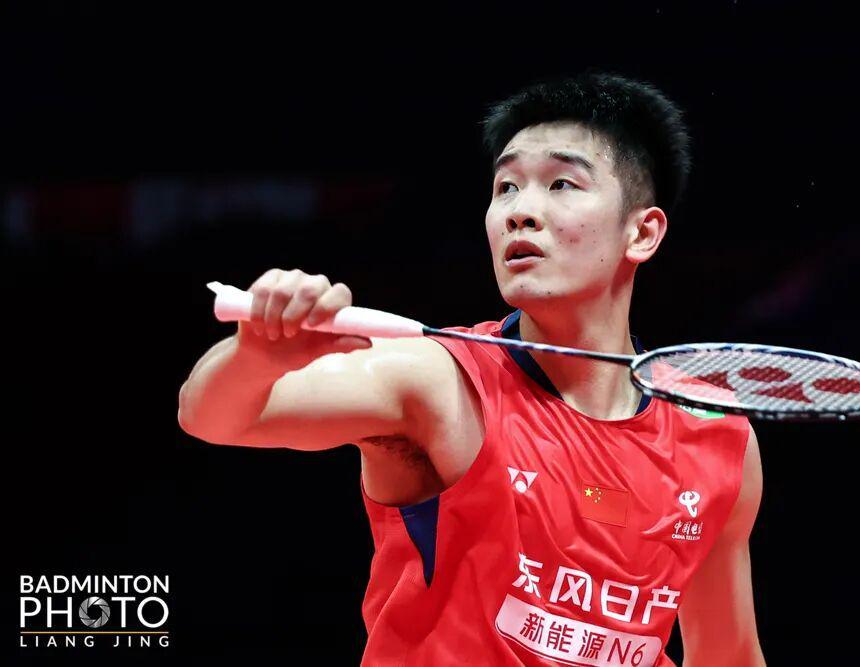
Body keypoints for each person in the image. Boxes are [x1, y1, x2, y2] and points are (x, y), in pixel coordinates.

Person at [178, 71, 766, 666]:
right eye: (506, 187)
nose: (520, 212)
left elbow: (729, 653)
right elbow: (212, 418)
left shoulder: (716, 438)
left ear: (642, 232)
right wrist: (256, 356)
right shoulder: (441, 382)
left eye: (561, 184)